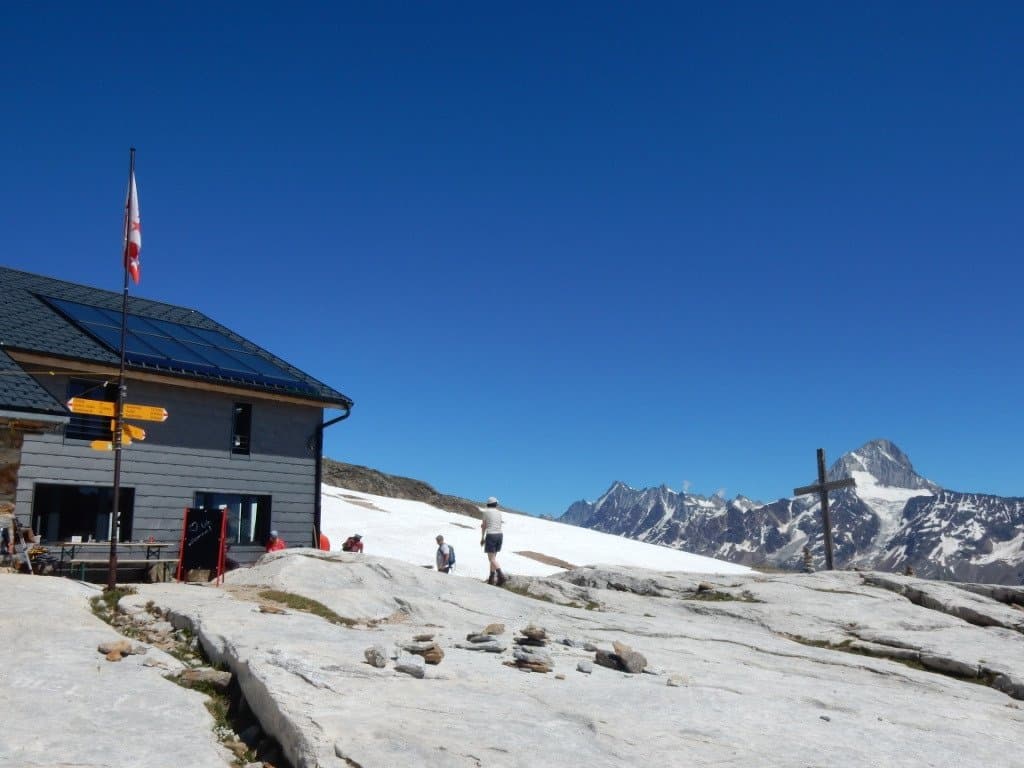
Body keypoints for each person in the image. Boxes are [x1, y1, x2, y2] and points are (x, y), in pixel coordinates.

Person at [480, 496, 506, 585]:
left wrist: (482, 538)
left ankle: (501, 575)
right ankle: (491, 578)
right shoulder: (499, 513)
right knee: (493, 558)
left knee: (491, 559)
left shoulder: (486, 512)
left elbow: (484, 526)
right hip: (499, 535)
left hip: (491, 535)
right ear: (495, 504)